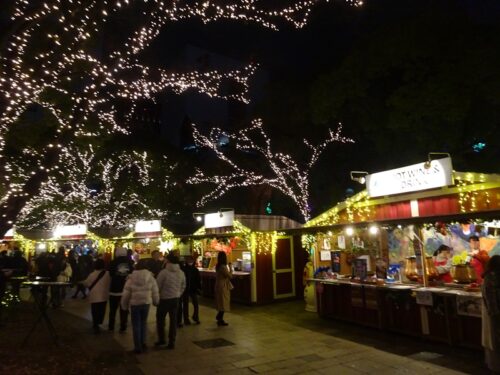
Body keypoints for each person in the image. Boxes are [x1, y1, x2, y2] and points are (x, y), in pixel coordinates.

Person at [121, 259, 159, 354]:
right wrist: (156, 301)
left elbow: (126, 293)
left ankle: (137, 346)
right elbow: (155, 290)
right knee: (143, 323)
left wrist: (124, 305)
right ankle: (143, 342)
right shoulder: (150, 277)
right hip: (146, 302)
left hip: (135, 304)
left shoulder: (131, 278)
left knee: (136, 325)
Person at [155, 253, 185, 349]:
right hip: (175, 299)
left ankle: (162, 339)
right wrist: (178, 293)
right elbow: (183, 285)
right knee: (173, 320)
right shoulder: (181, 272)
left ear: (168, 261)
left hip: (164, 299)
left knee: (160, 319)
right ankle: (172, 341)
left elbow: (157, 285)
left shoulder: (163, 272)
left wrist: (158, 295)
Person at [108, 247, 134, 332]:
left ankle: (111, 326)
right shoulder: (130, 262)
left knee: (112, 309)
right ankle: (123, 326)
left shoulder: (113, 262)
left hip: (114, 289)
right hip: (125, 289)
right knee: (124, 309)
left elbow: (111, 274)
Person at [481, 255, 500, 372]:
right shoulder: (493, 278)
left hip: (492, 313)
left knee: (493, 341)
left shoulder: (489, 277)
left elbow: (490, 298)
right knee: (495, 340)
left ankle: (494, 365)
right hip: (495, 314)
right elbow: (491, 299)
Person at [83, 259, 111, 333]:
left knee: (95, 311)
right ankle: (99, 323)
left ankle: (95, 324)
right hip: (104, 295)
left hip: (94, 296)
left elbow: (86, 283)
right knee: (101, 310)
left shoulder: (92, 274)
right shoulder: (108, 274)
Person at [178, 255, 202, 325]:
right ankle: (187, 319)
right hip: (186, 289)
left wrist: (199, 288)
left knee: (195, 304)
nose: (190, 262)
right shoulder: (185, 269)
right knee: (186, 305)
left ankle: (195, 317)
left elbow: (198, 279)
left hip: (192, 289)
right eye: (188, 260)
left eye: (190, 260)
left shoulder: (194, 269)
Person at [215, 251, 233, 326]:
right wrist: (231, 268)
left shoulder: (218, 266)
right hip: (223, 286)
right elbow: (230, 276)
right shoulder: (223, 267)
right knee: (223, 302)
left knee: (221, 302)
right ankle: (220, 318)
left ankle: (219, 318)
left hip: (218, 285)